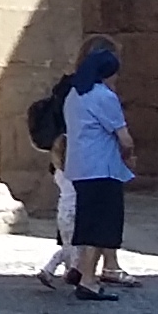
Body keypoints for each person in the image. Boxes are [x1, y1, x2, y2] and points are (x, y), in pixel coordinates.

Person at [36, 33, 114, 292]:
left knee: (77, 223)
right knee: (92, 221)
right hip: (83, 162)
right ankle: (85, 275)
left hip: (67, 160)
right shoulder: (87, 91)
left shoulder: (70, 87)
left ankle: (79, 271)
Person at [59, 41, 134, 300]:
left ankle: (81, 270)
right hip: (103, 168)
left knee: (89, 221)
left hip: (79, 167)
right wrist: (130, 157)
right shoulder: (104, 96)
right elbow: (124, 137)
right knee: (101, 226)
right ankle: (89, 280)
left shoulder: (74, 94)